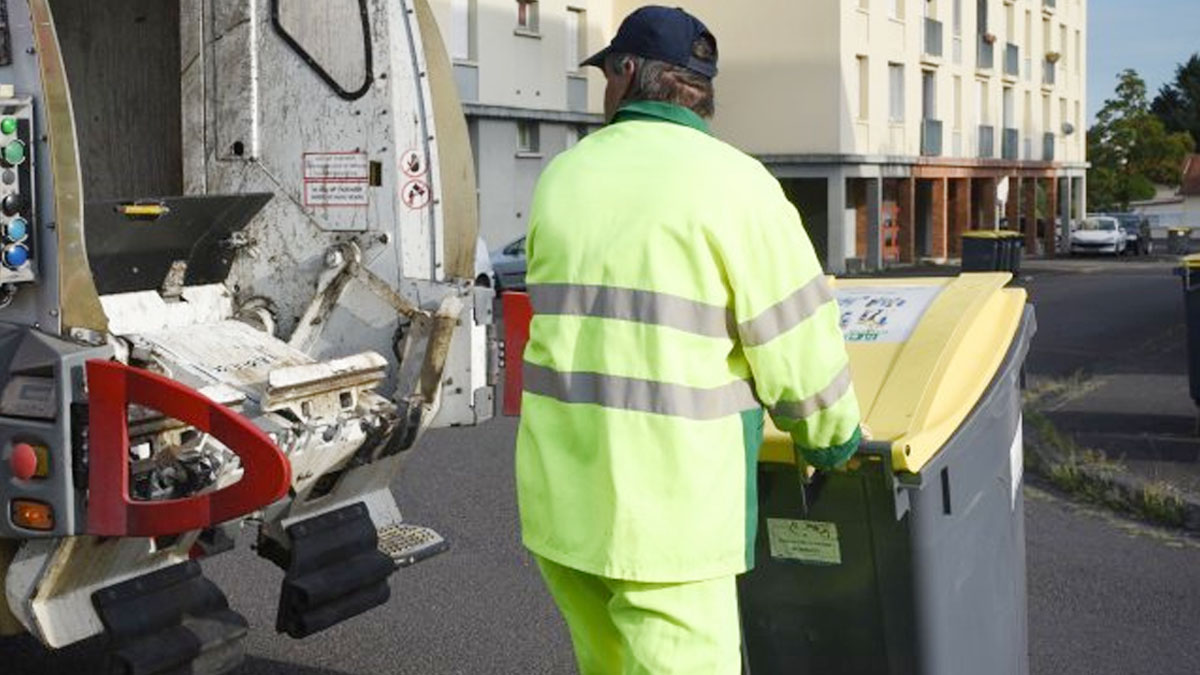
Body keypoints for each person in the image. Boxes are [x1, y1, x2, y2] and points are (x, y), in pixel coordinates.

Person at [515, 6, 863, 674]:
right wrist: (828, 437)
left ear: (625, 74)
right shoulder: (738, 186)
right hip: (670, 519)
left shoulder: (563, 178)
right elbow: (798, 347)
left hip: (562, 505)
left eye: (605, 76)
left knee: (606, 664)